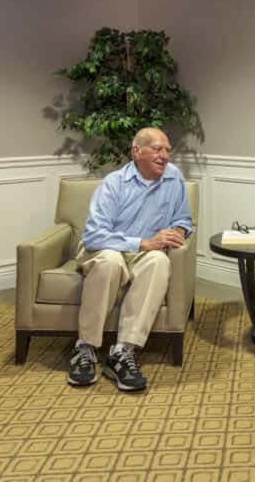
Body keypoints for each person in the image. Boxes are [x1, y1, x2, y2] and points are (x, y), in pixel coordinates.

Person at [67, 127, 192, 391]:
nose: (165, 156)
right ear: (137, 151)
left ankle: (123, 351)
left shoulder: (174, 178)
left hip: (144, 253)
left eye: (168, 150)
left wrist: (177, 231)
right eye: (158, 149)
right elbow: (94, 236)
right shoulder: (114, 183)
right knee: (110, 261)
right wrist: (142, 242)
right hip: (106, 249)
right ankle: (85, 348)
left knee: (160, 261)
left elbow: (183, 218)